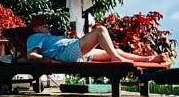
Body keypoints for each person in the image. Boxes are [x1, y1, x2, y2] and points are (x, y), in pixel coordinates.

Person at [25, 16, 169, 64]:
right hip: (64, 53)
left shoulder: (47, 36)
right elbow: (31, 55)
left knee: (115, 50)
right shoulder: (35, 37)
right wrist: (51, 61)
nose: (46, 27)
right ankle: (116, 59)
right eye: (43, 26)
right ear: (36, 28)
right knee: (100, 30)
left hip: (73, 51)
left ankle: (149, 59)